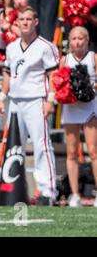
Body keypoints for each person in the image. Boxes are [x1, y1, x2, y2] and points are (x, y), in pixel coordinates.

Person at [0, 6, 59, 206]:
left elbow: (53, 76)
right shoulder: (12, 47)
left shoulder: (45, 46)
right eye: (21, 19)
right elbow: (7, 73)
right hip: (15, 101)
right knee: (14, 147)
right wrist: (1, 97)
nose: (24, 22)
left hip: (36, 100)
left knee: (42, 146)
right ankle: (14, 189)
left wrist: (51, 100)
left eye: (28, 19)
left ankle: (48, 191)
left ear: (36, 21)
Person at [58, 27, 97, 207]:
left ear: (87, 40)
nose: (77, 42)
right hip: (71, 108)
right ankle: (74, 195)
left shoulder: (93, 58)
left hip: (89, 107)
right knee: (72, 152)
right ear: (70, 41)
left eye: (81, 38)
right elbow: (57, 82)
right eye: (74, 39)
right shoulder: (64, 60)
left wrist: (92, 87)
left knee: (93, 151)